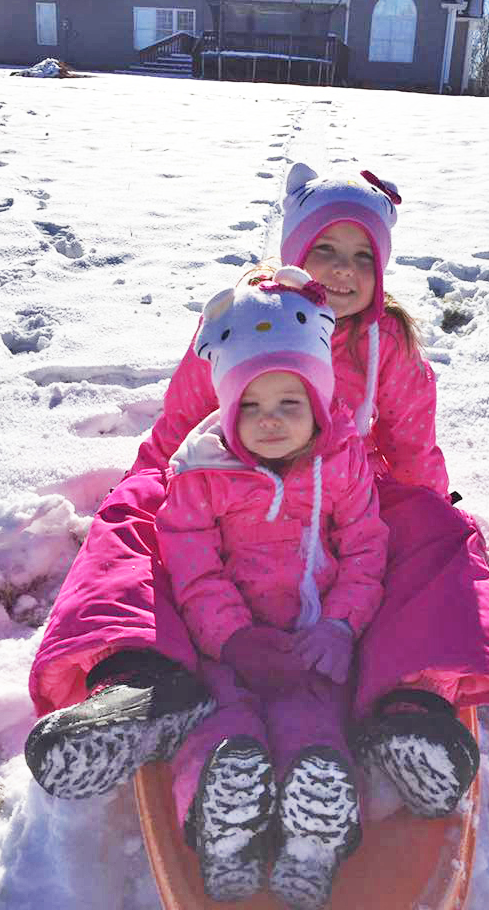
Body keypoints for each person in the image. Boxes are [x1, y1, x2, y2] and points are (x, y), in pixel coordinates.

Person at [26, 163, 489, 824]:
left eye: (362, 258)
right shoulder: (243, 322)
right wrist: (143, 488)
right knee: (134, 518)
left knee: (438, 535)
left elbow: (410, 448)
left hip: (342, 489)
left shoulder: (388, 345)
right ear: (294, 251)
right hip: (222, 482)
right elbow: (180, 424)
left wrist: (432, 519)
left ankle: (413, 701)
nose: (343, 271)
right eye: (326, 249)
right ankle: (138, 681)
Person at [155, 268, 387, 906]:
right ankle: (221, 822)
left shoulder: (342, 463)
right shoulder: (202, 474)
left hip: (312, 642)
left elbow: (366, 547)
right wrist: (232, 639)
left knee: (313, 725)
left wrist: (340, 624)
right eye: (250, 407)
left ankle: (314, 834)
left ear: (319, 405)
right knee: (223, 722)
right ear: (227, 409)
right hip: (227, 646)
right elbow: (192, 566)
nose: (270, 421)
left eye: (289, 404)